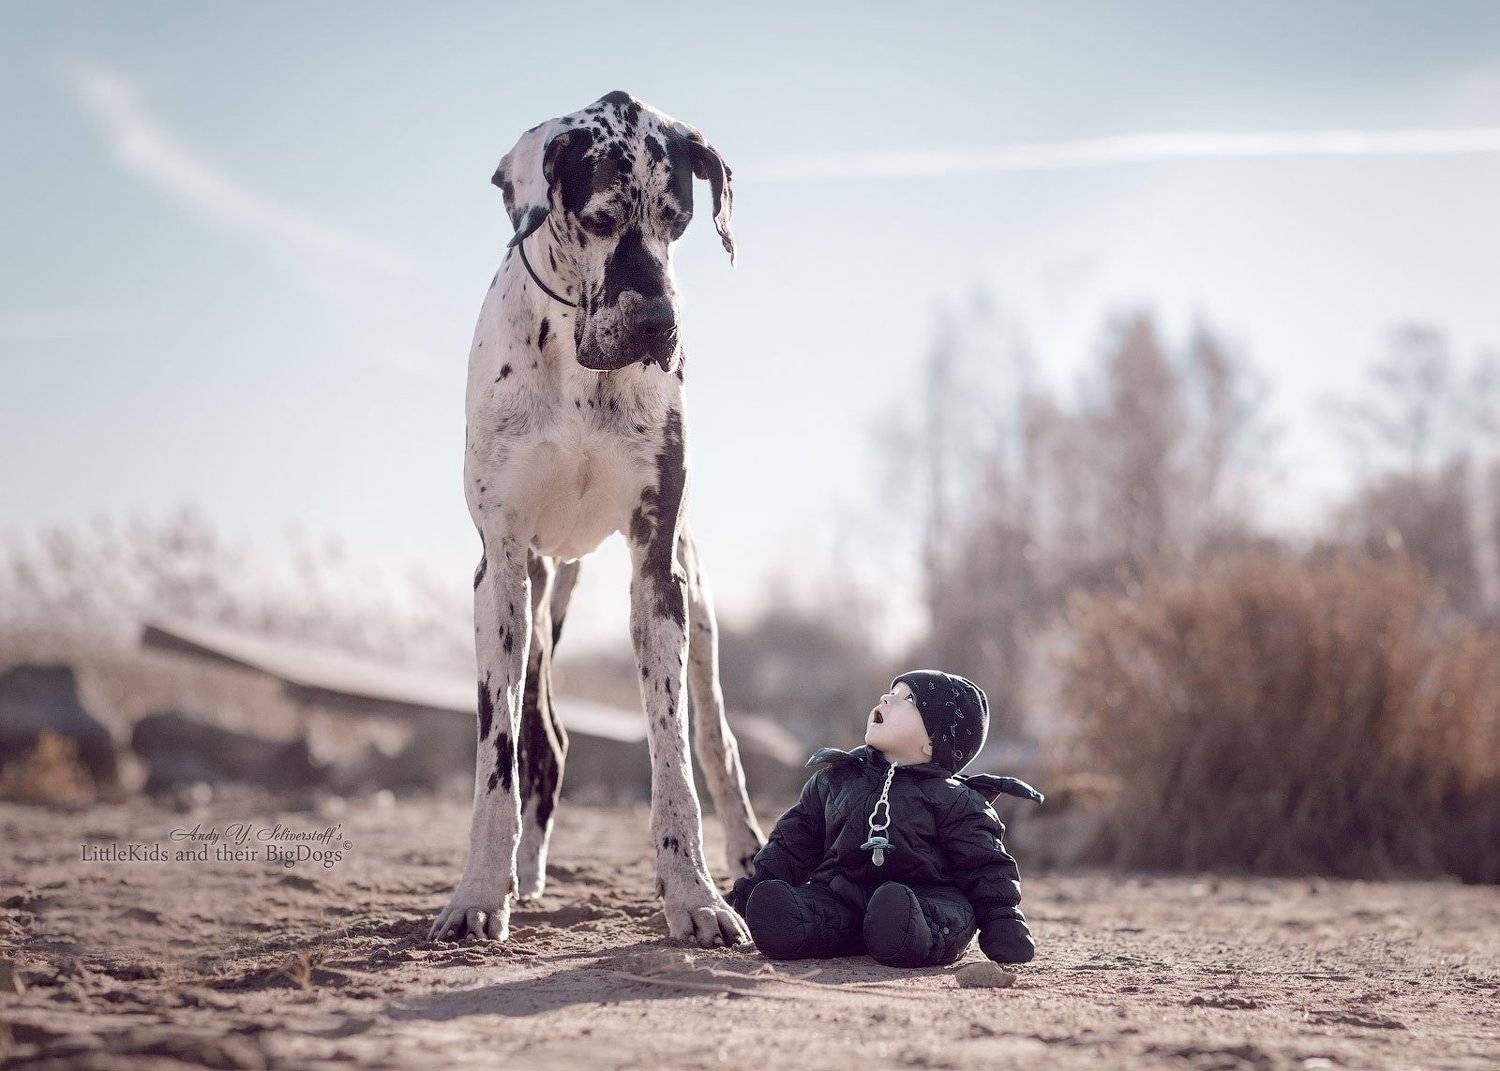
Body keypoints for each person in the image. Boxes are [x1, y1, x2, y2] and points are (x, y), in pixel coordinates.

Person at [726, 670, 1043, 967]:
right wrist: (755, 886)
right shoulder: (836, 780)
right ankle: (790, 923)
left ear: (933, 741)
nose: (886, 699)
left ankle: (905, 932)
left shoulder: (956, 799)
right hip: (842, 896)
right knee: (804, 906)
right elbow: (794, 840)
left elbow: (984, 864)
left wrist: (1002, 917)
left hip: (926, 899)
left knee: (943, 916)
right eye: (892, 692)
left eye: (909, 700)